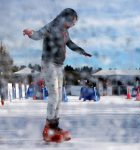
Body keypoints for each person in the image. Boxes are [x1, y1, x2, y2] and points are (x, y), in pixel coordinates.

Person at [23, 8, 92, 142]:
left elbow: (70, 44)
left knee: (59, 97)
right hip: (49, 63)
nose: (73, 25)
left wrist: (81, 51)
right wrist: (31, 33)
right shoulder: (52, 26)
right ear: (65, 18)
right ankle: (47, 129)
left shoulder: (65, 32)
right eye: (72, 21)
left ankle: (54, 127)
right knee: (54, 95)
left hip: (59, 66)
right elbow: (38, 34)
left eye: (74, 23)